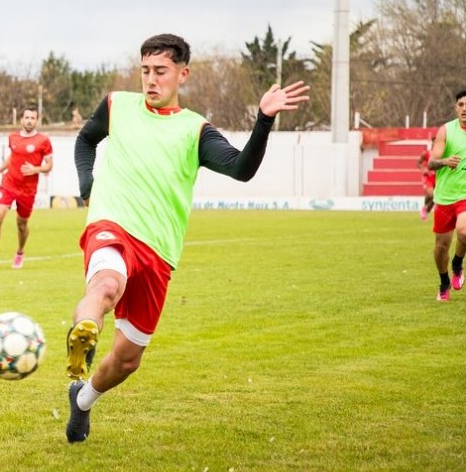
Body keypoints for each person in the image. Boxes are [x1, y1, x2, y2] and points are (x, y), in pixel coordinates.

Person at [63, 33, 309, 443]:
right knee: (106, 285)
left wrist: (263, 120)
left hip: (159, 249)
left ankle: (83, 399)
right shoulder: (116, 105)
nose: (150, 80)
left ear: (183, 73)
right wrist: (87, 181)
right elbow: (85, 140)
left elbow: (241, 168)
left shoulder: (195, 130)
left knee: (126, 360)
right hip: (112, 224)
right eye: (145, 71)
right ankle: (84, 332)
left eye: (160, 71)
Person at [0, 106, 53, 269]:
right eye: (27, 118)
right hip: (9, 183)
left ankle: (20, 252)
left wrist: (35, 169)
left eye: (32, 118)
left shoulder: (43, 141)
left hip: (28, 189)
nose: (29, 121)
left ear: (37, 121)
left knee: (21, 224)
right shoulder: (13, 137)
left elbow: (49, 165)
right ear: (22, 120)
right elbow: (12, 158)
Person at [426, 89, 466, 301]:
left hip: (465, 197)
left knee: (464, 232)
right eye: (461, 105)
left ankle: (458, 263)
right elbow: (431, 163)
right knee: (441, 248)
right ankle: (443, 282)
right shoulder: (446, 131)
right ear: (456, 107)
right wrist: (445, 161)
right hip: (444, 197)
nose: (465, 109)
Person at [418, 136, 436, 221]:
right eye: (434, 142)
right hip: (428, 177)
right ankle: (425, 207)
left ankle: (425, 210)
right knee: (432, 195)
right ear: (432, 143)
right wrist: (423, 169)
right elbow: (418, 163)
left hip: (438, 178)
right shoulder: (426, 153)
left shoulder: (443, 154)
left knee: (435, 198)